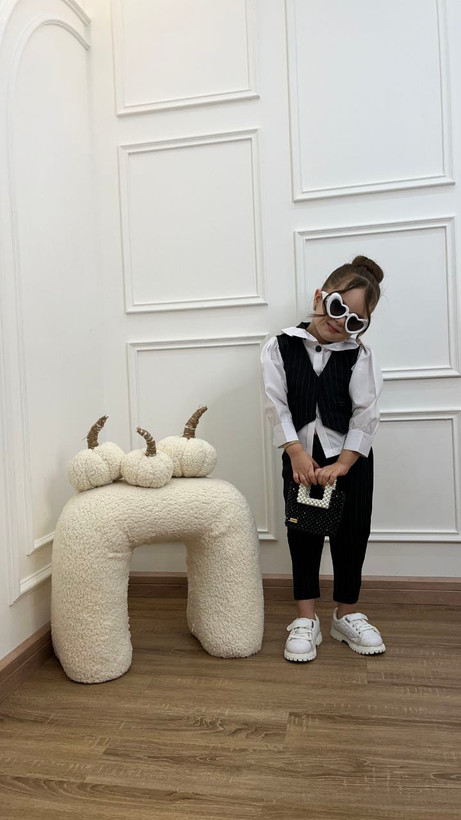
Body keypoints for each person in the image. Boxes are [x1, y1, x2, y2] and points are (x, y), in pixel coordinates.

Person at [261, 255, 386, 662]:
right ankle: (305, 618)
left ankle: (345, 614)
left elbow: (365, 413)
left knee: (353, 533)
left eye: (354, 321)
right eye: (336, 308)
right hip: (301, 457)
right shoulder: (279, 346)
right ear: (319, 296)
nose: (340, 323)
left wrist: (344, 464)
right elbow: (275, 404)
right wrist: (296, 453)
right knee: (303, 534)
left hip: (349, 458)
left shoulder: (359, 355)